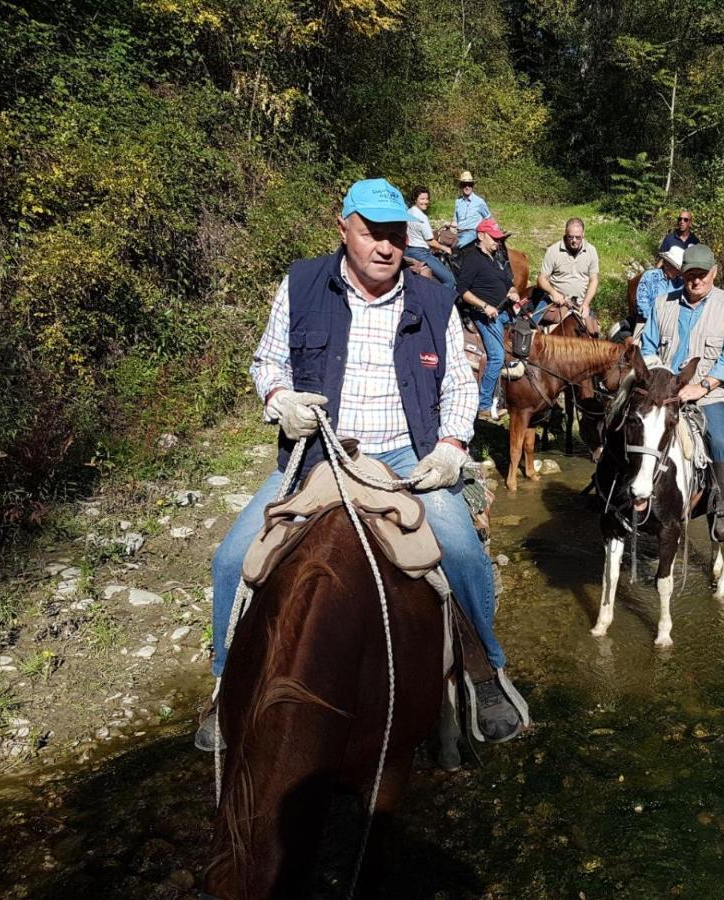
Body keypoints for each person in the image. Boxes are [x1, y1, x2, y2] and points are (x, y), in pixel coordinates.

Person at [199, 178, 523, 750]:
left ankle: (485, 671)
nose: (384, 247)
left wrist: (450, 449)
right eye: (371, 233)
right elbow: (267, 361)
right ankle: (228, 685)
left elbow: (455, 386)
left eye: (395, 234)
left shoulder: (432, 299)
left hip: (406, 456)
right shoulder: (300, 285)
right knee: (231, 561)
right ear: (343, 226)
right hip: (320, 452)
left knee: (464, 551)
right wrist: (281, 402)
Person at [640, 244, 724, 541]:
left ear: (714, 272)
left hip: (707, 392)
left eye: (702, 275)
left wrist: (703, 386)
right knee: (628, 423)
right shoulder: (662, 303)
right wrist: (658, 375)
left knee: (720, 440)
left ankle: (722, 512)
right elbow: (647, 345)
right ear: (681, 274)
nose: (696, 281)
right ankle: (614, 488)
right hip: (663, 390)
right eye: (690, 275)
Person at [457, 218, 520, 420]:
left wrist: (512, 292)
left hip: (504, 312)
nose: (497, 242)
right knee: (497, 356)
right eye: (494, 238)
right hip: (484, 315)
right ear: (481, 236)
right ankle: (483, 404)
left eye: (499, 238)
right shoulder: (472, 259)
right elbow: (462, 290)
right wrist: (484, 306)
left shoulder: (495, 258)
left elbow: (508, 283)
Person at [536, 217, 599, 322]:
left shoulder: (591, 250)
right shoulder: (553, 251)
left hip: (579, 303)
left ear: (583, 234)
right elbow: (541, 278)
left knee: (594, 333)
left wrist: (586, 303)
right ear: (565, 233)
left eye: (578, 237)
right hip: (555, 302)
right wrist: (554, 293)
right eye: (571, 237)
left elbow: (594, 280)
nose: (574, 241)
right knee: (530, 328)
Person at [405, 186, 456, 291]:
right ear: (415, 199)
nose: (425, 202)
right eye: (422, 199)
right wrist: (445, 248)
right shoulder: (422, 217)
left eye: (427, 199)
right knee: (449, 280)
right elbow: (430, 241)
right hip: (421, 252)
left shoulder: (408, 212)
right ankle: (440, 301)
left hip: (408, 250)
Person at [634, 245, 685, 324]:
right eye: (677, 269)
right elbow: (641, 302)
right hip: (647, 322)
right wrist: (655, 321)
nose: (679, 273)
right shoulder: (649, 276)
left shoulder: (681, 283)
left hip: (671, 324)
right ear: (667, 265)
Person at [450, 170, 491, 250]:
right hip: (458, 232)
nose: (467, 187)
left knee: (458, 245)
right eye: (464, 184)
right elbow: (455, 220)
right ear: (461, 186)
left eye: (469, 184)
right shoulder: (458, 201)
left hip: (472, 232)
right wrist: (450, 225)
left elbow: (488, 218)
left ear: (473, 186)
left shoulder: (479, 202)